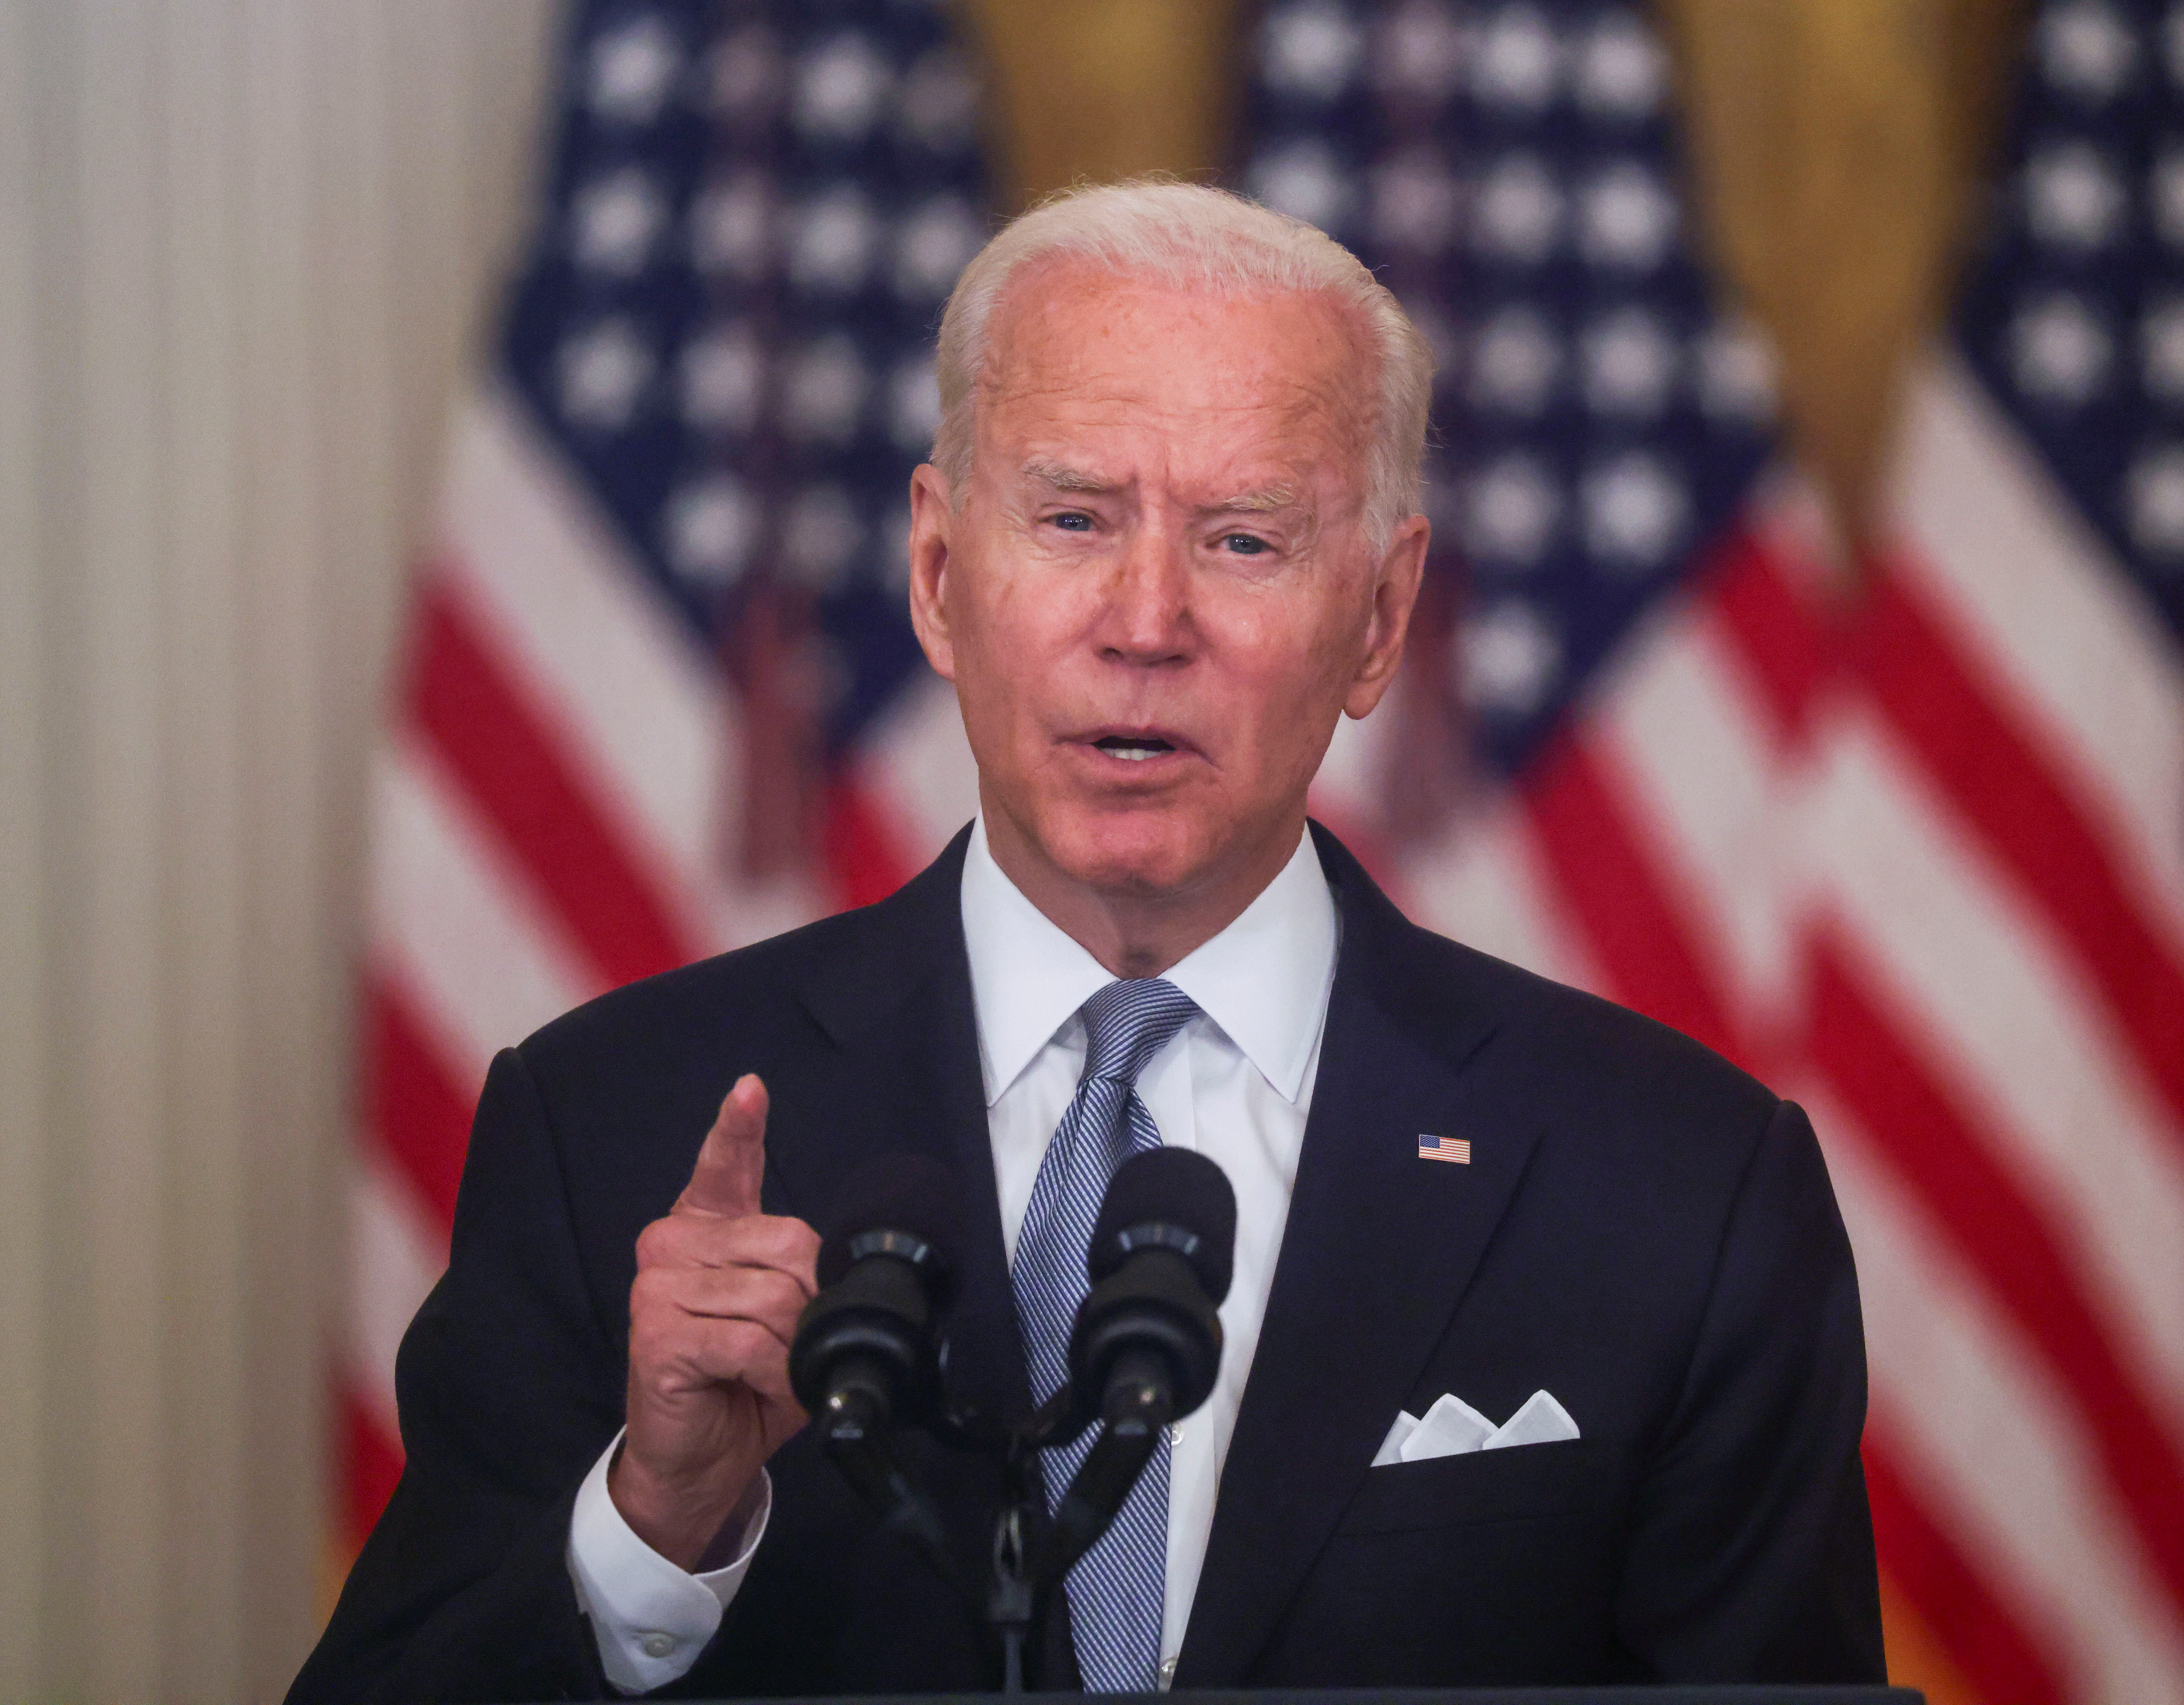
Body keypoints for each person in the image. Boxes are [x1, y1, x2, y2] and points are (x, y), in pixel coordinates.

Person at [290, 181, 1884, 1702]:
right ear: (936, 576)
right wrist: (654, 1524)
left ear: (1381, 620)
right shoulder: (612, 1132)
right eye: (1071, 519)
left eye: (1243, 539)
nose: (1144, 620)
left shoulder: (1677, 1187)